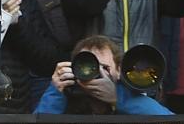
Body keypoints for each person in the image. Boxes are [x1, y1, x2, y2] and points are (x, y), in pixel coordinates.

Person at [35, 35, 172, 115]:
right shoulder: (66, 98)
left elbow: (169, 119)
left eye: (105, 68)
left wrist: (118, 98)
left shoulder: (132, 100)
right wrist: (55, 92)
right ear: (74, 69)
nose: (97, 73)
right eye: (89, 67)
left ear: (118, 71)